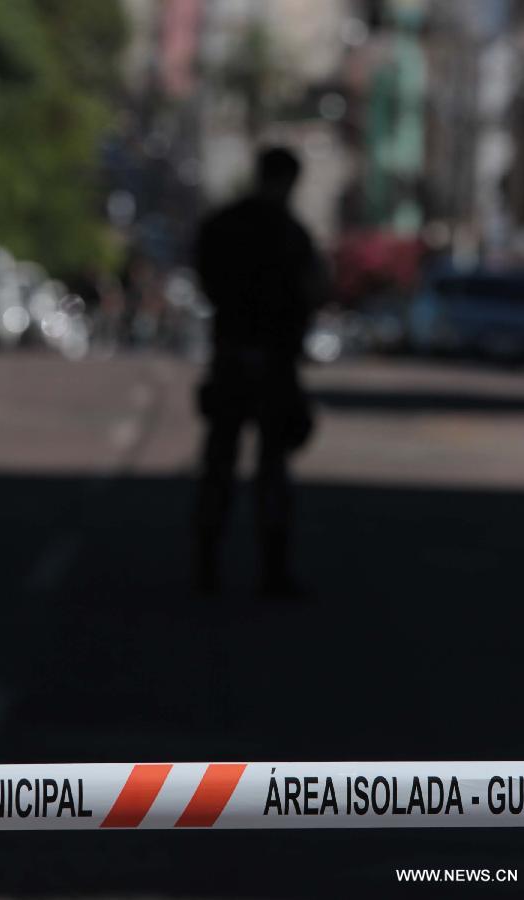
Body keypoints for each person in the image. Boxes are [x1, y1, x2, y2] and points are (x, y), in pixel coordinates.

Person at [193, 146, 327, 597]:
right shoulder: (289, 233)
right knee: (265, 471)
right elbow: (309, 293)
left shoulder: (226, 226)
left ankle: (212, 565)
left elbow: (207, 278)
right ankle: (265, 569)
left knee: (224, 469)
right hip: (268, 363)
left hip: (237, 357)